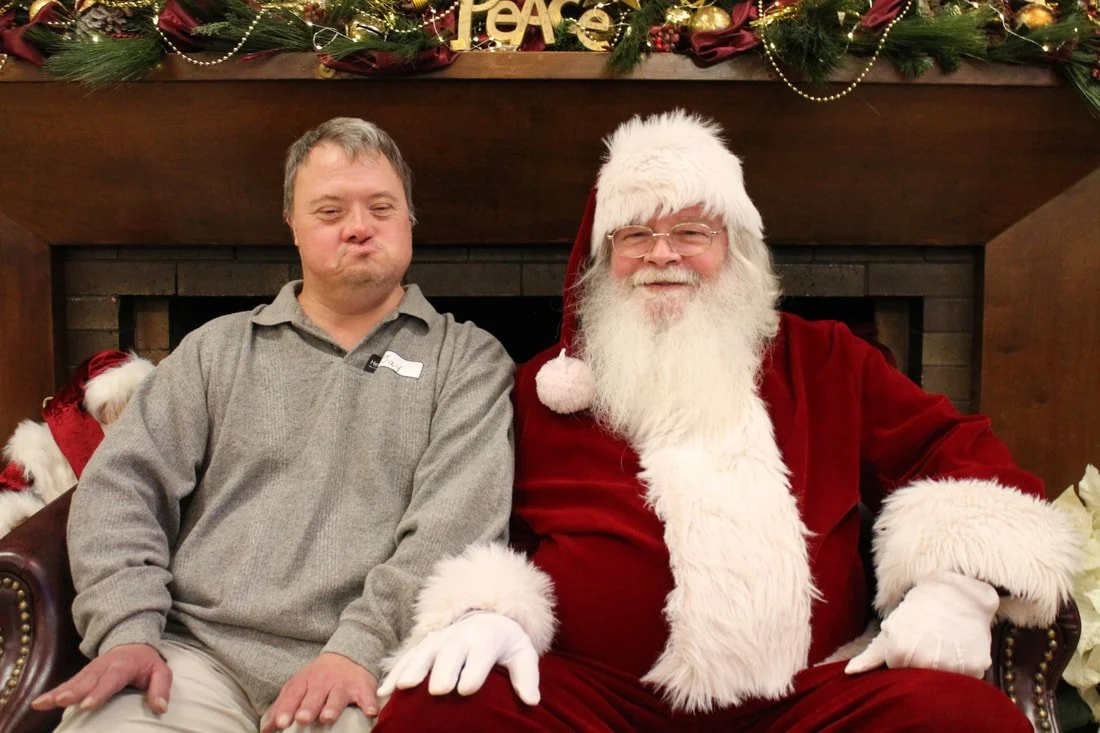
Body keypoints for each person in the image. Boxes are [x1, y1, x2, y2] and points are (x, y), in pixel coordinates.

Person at [372, 110, 1082, 732]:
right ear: (603, 258)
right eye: (635, 235)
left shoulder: (827, 357)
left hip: (807, 697)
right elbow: (479, 518)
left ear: (734, 250)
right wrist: (489, 610)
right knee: (435, 712)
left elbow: (954, 447)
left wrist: (955, 587)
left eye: (691, 231)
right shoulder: (545, 385)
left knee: (961, 720)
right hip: (599, 699)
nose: (662, 255)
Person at [30, 117, 515, 733]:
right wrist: (128, 633)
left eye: (380, 207)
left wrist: (355, 651)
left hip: (368, 665)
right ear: (292, 223)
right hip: (192, 655)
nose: (359, 227)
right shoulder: (216, 350)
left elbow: (454, 528)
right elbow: (120, 490)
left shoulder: (468, 360)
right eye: (330, 210)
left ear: (409, 218)